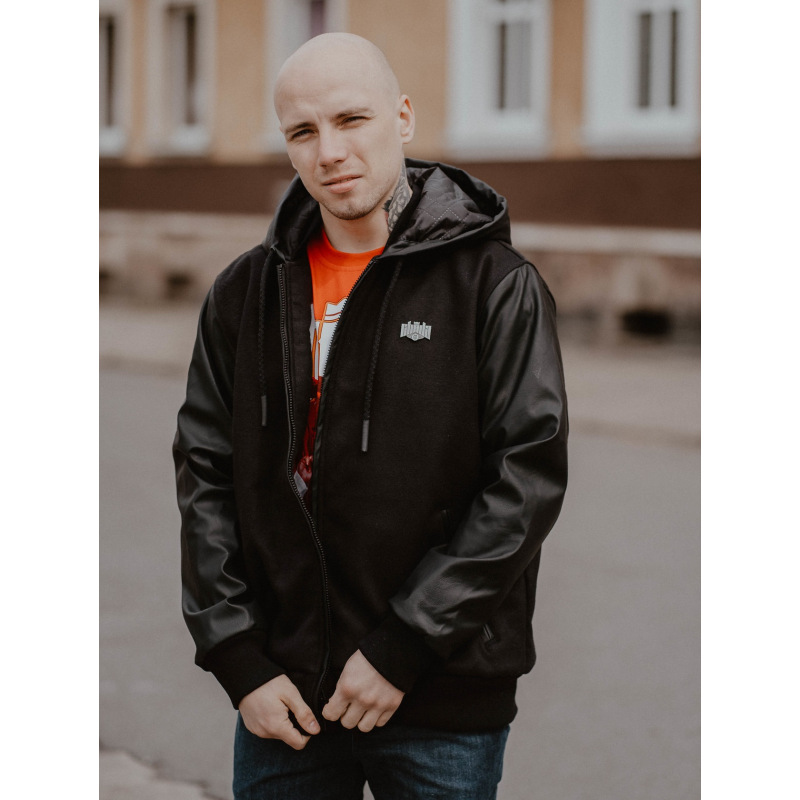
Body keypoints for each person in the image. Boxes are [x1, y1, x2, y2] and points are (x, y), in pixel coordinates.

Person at [174, 32, 568, 800]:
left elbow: (525, 481)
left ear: (403, 117)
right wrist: (237, 658)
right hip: (285, 696)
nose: (330, 152)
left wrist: (405, 645)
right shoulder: (244, 293)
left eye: (351, 119)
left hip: (441, 695)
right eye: (303, 131)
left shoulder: (493, 284)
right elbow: (206, 476)